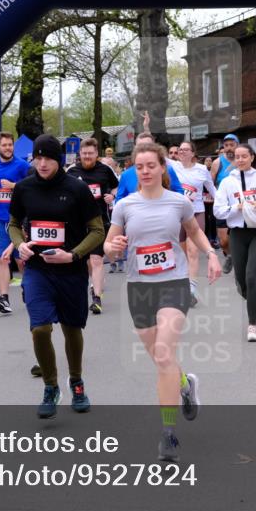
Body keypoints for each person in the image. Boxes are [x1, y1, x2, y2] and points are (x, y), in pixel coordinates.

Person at [105, 142, 221, 461]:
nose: (144, 171)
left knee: (164, 353)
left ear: (162, 168)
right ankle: (185, 383)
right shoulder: (124, 205)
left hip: (173, 282)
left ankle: (168, 434)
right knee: (161, 360)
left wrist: (211, 255)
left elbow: (195, 232)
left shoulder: (178, 202)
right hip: (139, 287)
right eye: (139, 167)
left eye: (150, 166)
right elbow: (108, 245)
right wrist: (113, 247)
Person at [8, 134, 104, 418]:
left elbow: (97, 230)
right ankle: (51, 386)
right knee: (40, 329)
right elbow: (14, 223)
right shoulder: (24, 188)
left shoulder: (76, 188)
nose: (42, 163)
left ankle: (76, 381)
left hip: (71, 270)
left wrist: (73, 255)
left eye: (48, 158)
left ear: (58, 160)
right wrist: (19, 245)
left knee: (72, 329)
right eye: (37, 158)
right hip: (38, 269)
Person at [214, 143, 256, 343]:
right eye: (237, 157)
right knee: (242, 281)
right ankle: (244, 288)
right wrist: (237, 207)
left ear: (252, 157)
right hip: (237, 234)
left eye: (245, 156)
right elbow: (218, 211)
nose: (241, 160)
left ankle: (252, 326)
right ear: (234, 159)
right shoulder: (227, 182)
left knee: (252, 277)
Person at [67, 138, 119, 314]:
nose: (87, 156)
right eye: (84, 154)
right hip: (78, 224)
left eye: (91, 153)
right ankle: (94, 283)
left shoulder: (105, 170)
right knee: (87, 262)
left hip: (99, 222)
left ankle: (96, 298)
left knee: (96, 260)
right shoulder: (71, 172)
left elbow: (116, 187)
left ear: (97, 154)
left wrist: (112, 196)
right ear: (80, 154)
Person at [0, 132, 32, 314]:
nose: (8, 148)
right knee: (1, 258)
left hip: (18, 218)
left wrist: (14, 186)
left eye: (10, 145)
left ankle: (29, 287)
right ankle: (4, 298)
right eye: (4, 145)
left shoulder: (22, 165)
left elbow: (31, 187)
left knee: (21, 260)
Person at [173, 140, 218, 306]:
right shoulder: (173, 166)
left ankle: (191, 290)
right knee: (182, 254)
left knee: (193, 252)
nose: (182, 152)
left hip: (196, 212)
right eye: (180, 149)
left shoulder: (202, 170)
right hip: (177, 214)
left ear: (193, 153)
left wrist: (223, 205)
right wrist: (147, 129)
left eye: (185, 150)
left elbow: (212, 190)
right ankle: (184, 284)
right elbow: (156, 152)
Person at [210, 133, 239, 274]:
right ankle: (230, 256)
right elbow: (210, 183)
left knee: (237, 237)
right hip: (222, 205)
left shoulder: (241, 161)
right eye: (226, 145)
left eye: (231, 145)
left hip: (239, 205)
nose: (228, 148)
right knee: (223, 241)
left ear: (237, 146)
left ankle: (239, 259)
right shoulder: (217, 163)